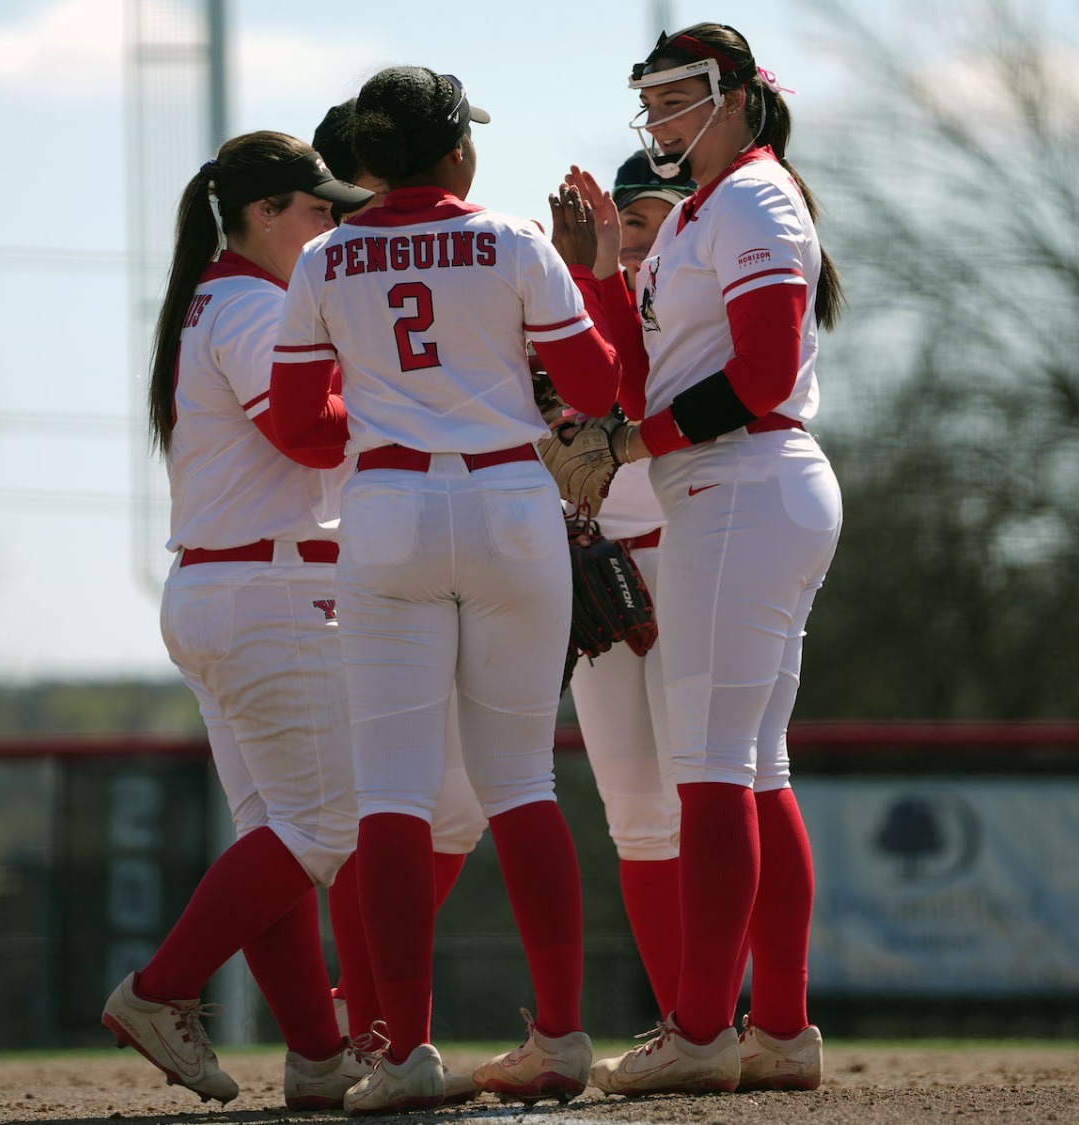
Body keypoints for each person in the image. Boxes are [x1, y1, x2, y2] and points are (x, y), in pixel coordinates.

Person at [268, 66, 622, 1114]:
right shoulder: (515, 240)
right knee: (520, 784)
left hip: (387, 514)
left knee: (391, 794)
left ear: (367, 156)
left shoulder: (328, 256)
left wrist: (389, 404)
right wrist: (587, 279)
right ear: (457, 149)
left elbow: (296, 425)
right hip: (510, 503)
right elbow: (599, 390)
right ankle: (559, 1039)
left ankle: (400, 1052)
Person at [563, 23, 845, 1097]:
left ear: (737, 95)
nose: (659, 118)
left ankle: (698, 1030)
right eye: (650, 100)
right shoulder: (695, 214)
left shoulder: (757, 200)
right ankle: (776, 1029)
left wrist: (629, 446)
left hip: (743, 483)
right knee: (751, 767)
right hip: (728, 489)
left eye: (679, 95)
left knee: (712, 767)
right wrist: (599, 279)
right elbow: (634, 380)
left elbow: (765, 374)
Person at [98, 129, 378, 1110]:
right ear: (262, 214)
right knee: (323, 824)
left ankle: (315, 1055)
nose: (330, 223)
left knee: (277, 836)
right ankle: (161, 989)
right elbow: (301, 427)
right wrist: (397, 397)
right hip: (273, 591)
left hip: (229, 589)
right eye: (315, 209)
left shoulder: (212, 299)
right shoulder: (254, 305)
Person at [307, 97, 490, 1109]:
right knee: (410, 805)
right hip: (389, 552)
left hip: (376, 544)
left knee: (433, 806)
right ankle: (359, 1025)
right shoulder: (367, 255)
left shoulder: (341, 258)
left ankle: (360, 1020)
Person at [546, 150, 695, 1023]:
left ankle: (737, 1017)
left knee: (710, 792)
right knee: (637, 815)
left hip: (690, 551)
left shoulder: (698, 298)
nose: (632, 243)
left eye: (649, 223)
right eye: (624, 224)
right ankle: (684, 1020)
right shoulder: (572, 303)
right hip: (604, 561)